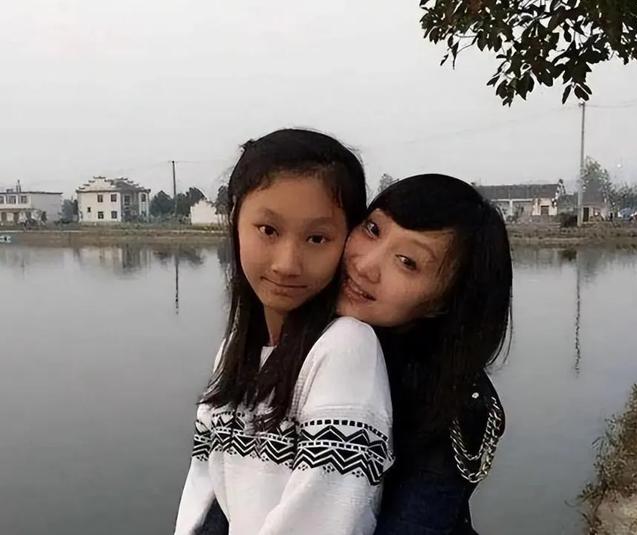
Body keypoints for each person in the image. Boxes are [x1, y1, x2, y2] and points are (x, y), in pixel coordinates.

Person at [198, 173, 511, 535]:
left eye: (407, 262)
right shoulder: (299, 337)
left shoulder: (455, 401)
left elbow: (415, 524)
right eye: (373, 230)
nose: (365, 265)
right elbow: (230, 492)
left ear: (443, 302)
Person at [174, 128, 394, 535]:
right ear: (235, 220)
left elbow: (323, 520)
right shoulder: (234, 352)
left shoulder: (345, 348)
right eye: (269, 231)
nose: (288, 263)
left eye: (317, 238)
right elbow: (201, 496)